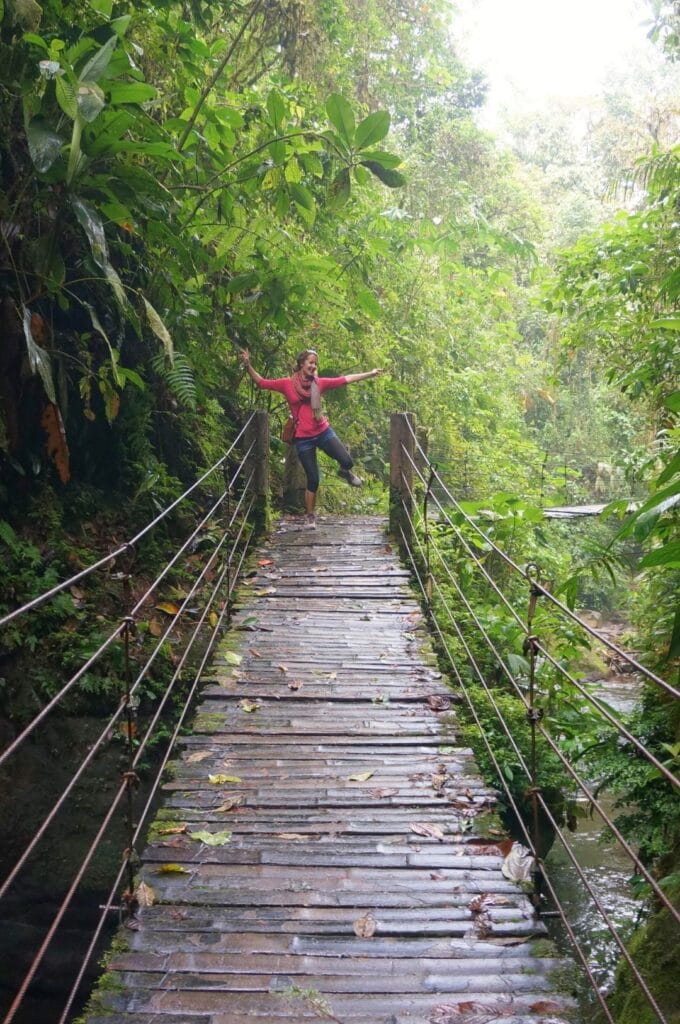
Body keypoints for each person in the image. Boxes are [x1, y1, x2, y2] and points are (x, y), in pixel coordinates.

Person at [239, 347, 382, 528]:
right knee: (313, 479)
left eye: (315, 363)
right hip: (303, 437)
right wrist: (248, 365)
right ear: (301, 364)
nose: (314, 366)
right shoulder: (287, 384)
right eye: (310, 362)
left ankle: (345, 471)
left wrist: (370, 373)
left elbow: (345, 380)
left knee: (347, 461)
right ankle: (310, 516)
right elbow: (262, 383)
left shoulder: (319, 383)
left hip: (323, 431)